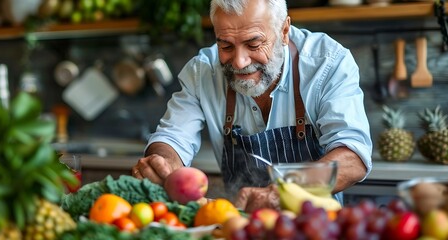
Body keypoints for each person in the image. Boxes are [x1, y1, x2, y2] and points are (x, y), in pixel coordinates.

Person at [131, 0, 372, 213]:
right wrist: (162, 164)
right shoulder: (202, 72)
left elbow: (353, 157)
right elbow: (172, 137)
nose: (239, 61)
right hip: (239, 226)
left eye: (254, 44)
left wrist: (279, 193)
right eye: (225, 46)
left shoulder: (327, 63)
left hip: (316, 225)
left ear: (284, 30)